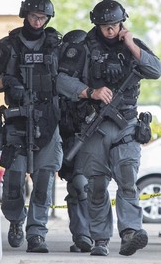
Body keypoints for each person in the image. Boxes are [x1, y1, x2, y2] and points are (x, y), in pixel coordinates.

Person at [56, 0, 161, 256]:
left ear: (121, 23)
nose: (109, 30)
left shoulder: (131, 46)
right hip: (94, 125)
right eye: (104, 26)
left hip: (125, 124)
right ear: (97, 25)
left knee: (127, 179)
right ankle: (100, 239)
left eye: (114, 25)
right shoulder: (81, 49)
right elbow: (59, 80)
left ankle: (130, 233)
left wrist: (130, 44)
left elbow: (156, 70)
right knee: (96, 186)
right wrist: (89, 91)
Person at [0, 0, 63, 253]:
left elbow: (71, 76)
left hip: (48, 119)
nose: (38, 22)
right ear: (25, 15)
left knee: (44, 180)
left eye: (43, 18)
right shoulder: (6, 46)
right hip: (17, 119)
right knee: (14, 180)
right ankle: (15, 220)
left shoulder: (56, 45)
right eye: (34, 16)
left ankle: (37, 233)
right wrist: (7, 82)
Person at [58, 29, 94, 253]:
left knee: (84, 186)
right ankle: (81, 235)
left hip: (88, 139)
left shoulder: (92, 80)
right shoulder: (60, 78)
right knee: (75, 187)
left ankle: (88, 235)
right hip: (65, 139)